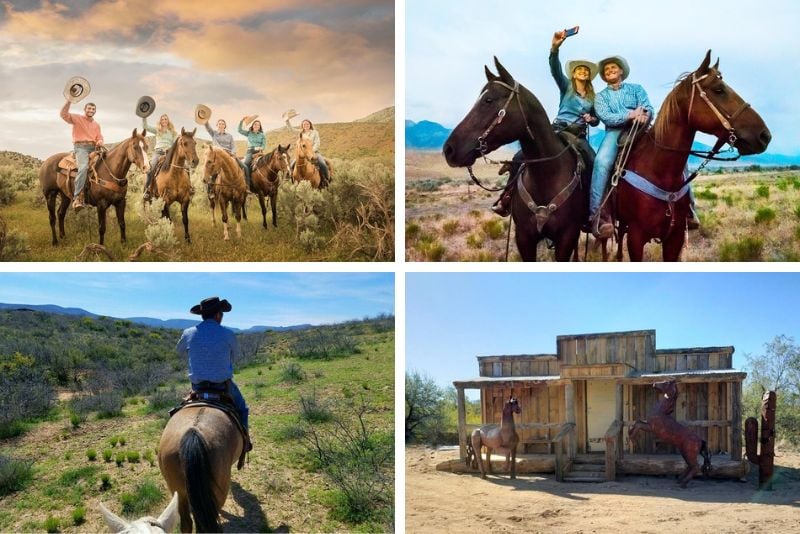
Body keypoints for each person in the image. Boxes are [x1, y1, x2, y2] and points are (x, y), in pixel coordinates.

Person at [492, 30, 599, 216]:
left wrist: (592, 119)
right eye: (579, 69)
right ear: (573, 75)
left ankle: (589, 207)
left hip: (578, 135)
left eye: (585, 71)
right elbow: (555, 70)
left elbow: (597, 120)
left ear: (588, 76)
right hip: (558, 129)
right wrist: (555, 49)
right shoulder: (566, 87)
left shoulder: (593, 98)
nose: (582, 71)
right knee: (520, 156)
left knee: (593, 161)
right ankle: (506, 198)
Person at [590, 55, 654, 238]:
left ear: (621, 71)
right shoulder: (601, 97)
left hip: (640, 129)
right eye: (606, 70)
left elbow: (648, 106)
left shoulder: (636, 89)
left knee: (668, 149)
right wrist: (630, 114)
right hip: (614, 132)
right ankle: (597, 214)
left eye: (613, 68)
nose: (609, 71)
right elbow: (606, 117)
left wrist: (644, 115)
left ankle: (689, 208)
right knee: (601, 162)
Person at [176, 296, 252, 451]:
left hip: (197, 388)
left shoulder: (188, 333)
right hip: (223, 387)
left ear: (202, 316)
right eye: (222, 314)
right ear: (218, 315)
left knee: (177, 412)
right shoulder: (228, 334)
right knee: (242, 408)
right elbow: (236, 356)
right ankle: (245, 442)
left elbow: (179, 352)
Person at [60, 100, 104, 210]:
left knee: (106, 164)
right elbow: (63, 115)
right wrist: (69, 100)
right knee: (83, 167)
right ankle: (77, 198)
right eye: (89, 108)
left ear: (95, 111)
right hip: (81, 148)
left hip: (94, 148)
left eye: (93, 109)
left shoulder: (96, 125)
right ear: (85, 110)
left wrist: (100, 141)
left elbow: (99, 137)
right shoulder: (77, 118)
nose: (91, 110)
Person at [205, 118, 248, 189]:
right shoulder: (214, 134)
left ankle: (246, 187)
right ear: (217, 125)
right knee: (213, 171)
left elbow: (233, 146)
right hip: (218, 156)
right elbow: (207, 127)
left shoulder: (229, 136)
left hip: (229, 155)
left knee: (245, 167)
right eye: (219, 124)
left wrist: (233, 153)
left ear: (225, 126)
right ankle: (211, 190)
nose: (221, 125)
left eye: (222, 124)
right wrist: (205, 120)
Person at [142, 113, 177, 201]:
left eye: (166, 119)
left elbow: (174, 143)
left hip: (169, 153)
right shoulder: (157, 130)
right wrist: (144, 116)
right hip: (158, 152)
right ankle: (147, 190)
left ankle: (188, 187)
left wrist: (170, 149)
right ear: (160, 121)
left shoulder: (172, 132)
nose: (164, 121)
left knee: (182, 165)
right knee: (151, 168)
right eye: (163, 119)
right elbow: (145, 126)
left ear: (168, 121)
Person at [287, 118, 330, 185]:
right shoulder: (301, 132)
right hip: (303, 154)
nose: (306, 125)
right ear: (302, 126)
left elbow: (317, 143)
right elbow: (291, 129)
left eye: (307, 124)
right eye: (304, 124)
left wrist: (311, 151)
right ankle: (289, 179)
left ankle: (326, 179)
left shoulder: (315, 132)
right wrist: (287, 121)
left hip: (314, 152)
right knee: (292, 164)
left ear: (310, 124)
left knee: (322, 164)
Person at [237, 115, 266, 190]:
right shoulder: (249, 133)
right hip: (250, 151)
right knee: (246, 164)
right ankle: (247, 184)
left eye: (258, 125)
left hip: (259, 151)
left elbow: (263, 145)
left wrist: (260, 148)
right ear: (252, 126)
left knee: (269, 162)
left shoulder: (262, 135)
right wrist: (241, 121)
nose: (256, 126)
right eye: (255, 124)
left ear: (260, 127)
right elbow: (239, 130)